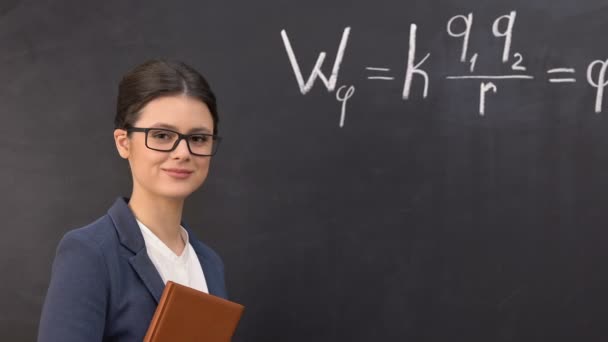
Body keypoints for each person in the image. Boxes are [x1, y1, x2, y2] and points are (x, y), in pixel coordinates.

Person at [37, 59, 226, 341]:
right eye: (162, 135)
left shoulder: (209, 262)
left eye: (198, 138)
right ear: (124, 142)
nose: (183, 152)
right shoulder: (90, 254)